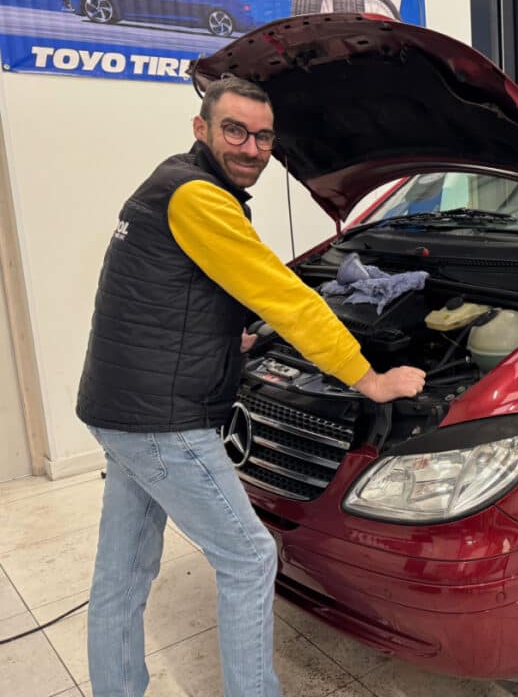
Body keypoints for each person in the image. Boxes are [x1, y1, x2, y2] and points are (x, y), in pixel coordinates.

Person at [76, 76, 425, 697]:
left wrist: (223, 333)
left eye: (263, 136)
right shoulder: (199, 198)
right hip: (162, 420)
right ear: (201, 128)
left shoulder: (169, 182)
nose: (251, 147)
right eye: (235, 130)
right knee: (250, 558)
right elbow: (287, 298)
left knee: (122, 576)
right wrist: (368, 378)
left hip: (121, 404)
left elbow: (170, 289)